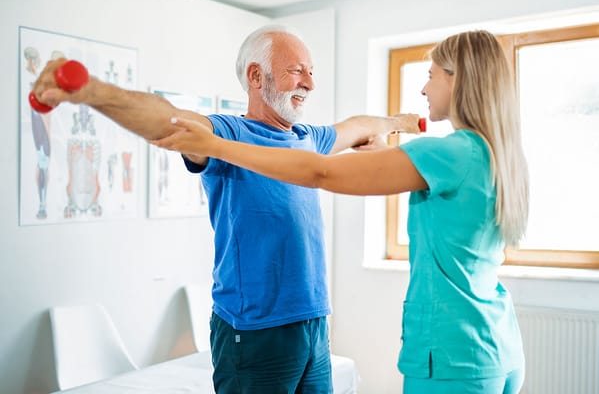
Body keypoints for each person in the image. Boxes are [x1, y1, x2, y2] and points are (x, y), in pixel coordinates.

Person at [31, 25, 419, 393]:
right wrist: (89, 91)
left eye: (312, 72)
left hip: (313, 322)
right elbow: (169, 121)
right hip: (253, 330)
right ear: (256, 76)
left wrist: (397, 122)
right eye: (297, 71)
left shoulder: (308, 137)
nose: (310, 84)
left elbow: (357, 125)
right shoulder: (228, 135)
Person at [150, 30, 529, 394]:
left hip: (454, 353)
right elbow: (379, 148)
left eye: (431, 75)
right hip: (497, 343)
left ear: (458, 81)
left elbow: (319, 170)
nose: (424, 88)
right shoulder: (492, 153)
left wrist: (218, 146)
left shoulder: (446, 152)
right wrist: (389, 142)